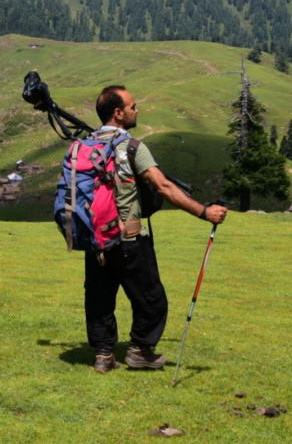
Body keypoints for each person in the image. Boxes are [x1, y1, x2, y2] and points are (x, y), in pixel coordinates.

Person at [87, 85, 227, 373]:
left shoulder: (87, 147)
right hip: (129, 239)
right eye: (132, 106)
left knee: (100, 298)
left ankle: (104, 355)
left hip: (96, 239)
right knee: (152, 298)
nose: (136, 110)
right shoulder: (132, 148)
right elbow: (163, 186)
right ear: (118, 113)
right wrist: (204, 212)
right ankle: (138, 350)